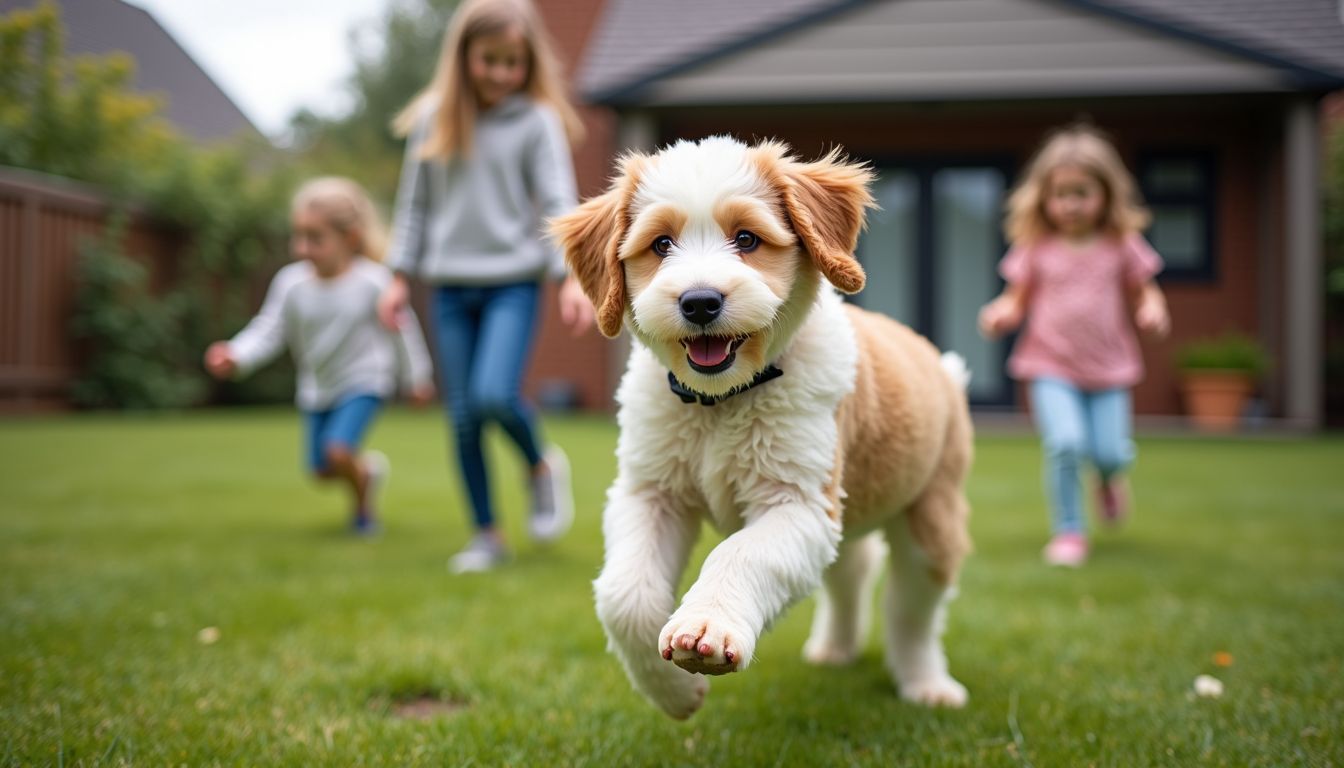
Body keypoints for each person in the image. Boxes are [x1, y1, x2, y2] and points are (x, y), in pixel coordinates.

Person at [378, 0, 594, 573]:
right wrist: (397, 277)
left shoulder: (535, 121)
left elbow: (556, 204)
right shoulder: (434, 119)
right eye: (489, 60)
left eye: (513, 63)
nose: (501, 73)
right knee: (462, 417)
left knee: (494, 396)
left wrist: (569, 279)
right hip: (449, 288)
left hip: (512, 285)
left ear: (528, 64)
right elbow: (413, 207)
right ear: (463, 57)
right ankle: (487, 534)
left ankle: (540, 467)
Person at [978, 124, 1170, 567]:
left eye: (1082, 193)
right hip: (1050, 364)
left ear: (1105, 195)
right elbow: (1016, 298)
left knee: (1109, 452)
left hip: (1110, 368)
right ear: (1044, 197)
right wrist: (1001, 313)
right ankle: (1070, 532)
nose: (1070, 204)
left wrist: (1153, 310)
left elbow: (1147, 291)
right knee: (1065, 444)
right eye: (1061, 194)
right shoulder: (1036, 247)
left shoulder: (1122, 244)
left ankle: (1109, 478)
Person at [205, 176, 436, 535]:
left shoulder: (373, 282)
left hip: (365, 380)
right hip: (318, 386)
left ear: (351, 238)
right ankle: (367, 476)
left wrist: (417, 378)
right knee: (321, 470)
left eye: (315, 238)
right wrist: (236, 354)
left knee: (338, 451)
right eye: (298, 236)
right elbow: (268, 329)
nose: (302, 248)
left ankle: (363, 516)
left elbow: (403, 331)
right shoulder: (291, 283)